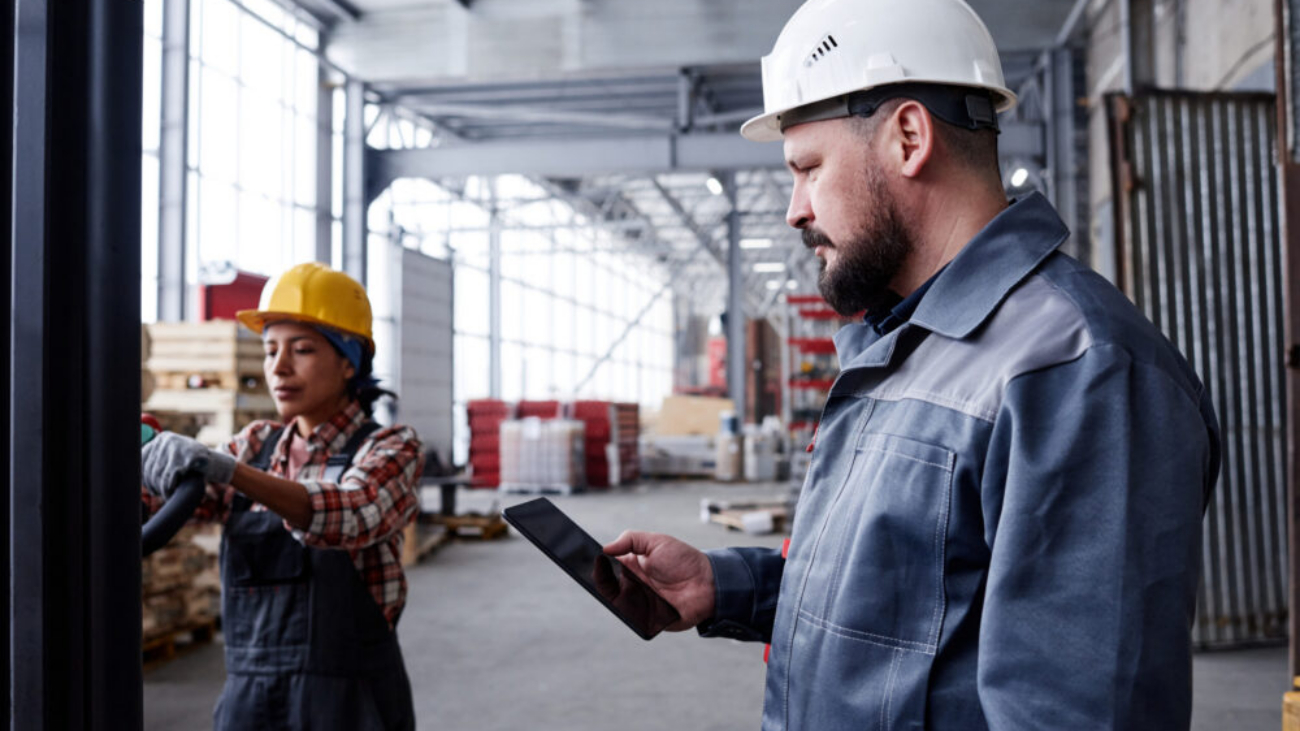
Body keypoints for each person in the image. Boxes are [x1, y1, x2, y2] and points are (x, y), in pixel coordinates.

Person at [603, 0, 1221, 729]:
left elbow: (1080, 710)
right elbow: (911, 607)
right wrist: (726, 585)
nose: (795, 209)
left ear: (907, 136)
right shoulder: (904, 346)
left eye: (808, 168)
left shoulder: (1078, 371)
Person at [141, 262, 423, 730]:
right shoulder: (255, 444)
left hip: (350, 704)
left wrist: (230, 471)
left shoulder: (389, 447)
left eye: (303, 349)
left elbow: (351, 513)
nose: (279, 367)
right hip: (250, 699)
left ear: (348, 360)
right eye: (270, 350)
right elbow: (176, 504)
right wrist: (144, 465)